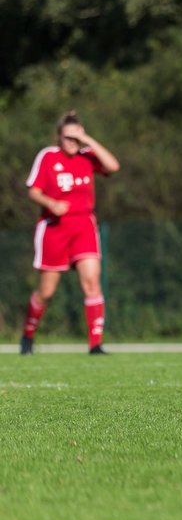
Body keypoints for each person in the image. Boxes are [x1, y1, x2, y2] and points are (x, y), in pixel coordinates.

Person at [20, 111, 121, 354]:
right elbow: (33, 191)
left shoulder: (87, 157)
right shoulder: (48, 156)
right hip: (55, 228)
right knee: (46, 292)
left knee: (92, 282)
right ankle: (28, 335)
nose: (72, 143)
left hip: (84, 225)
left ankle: (95, 343)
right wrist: (51, 203)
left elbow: (113, 166)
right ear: (59, 137)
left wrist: (89, 139)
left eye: (76, 138)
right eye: (68, 137)